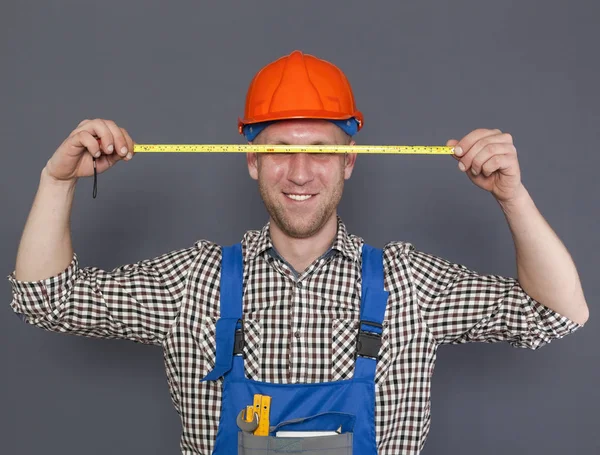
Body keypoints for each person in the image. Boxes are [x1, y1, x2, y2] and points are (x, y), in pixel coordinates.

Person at [7, 50, 589, 455]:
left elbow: (561, 313)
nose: (302, 172)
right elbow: (44, 300)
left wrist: (512, 196)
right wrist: (58, 182)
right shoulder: (193, 281)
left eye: (322, 151)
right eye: (281, 149)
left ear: (352, 161)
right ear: (252, 162)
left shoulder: (411, 284)